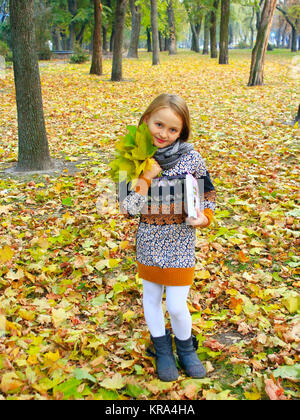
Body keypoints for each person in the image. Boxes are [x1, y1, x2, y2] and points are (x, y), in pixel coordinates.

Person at [120, 94, 216, 382]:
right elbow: (128, 209)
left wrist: (205, 218)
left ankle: (186, 349)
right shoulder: (133, 158)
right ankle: (162, 350)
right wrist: (145, 177)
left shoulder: (192, 158)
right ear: (146, 120)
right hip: (149, 240)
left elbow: (208, 195)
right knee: (151, 298)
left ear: (182, 132)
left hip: (180, 242)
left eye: (173, 129)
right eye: (158, 125)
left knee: (175, 304)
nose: (163, 134)